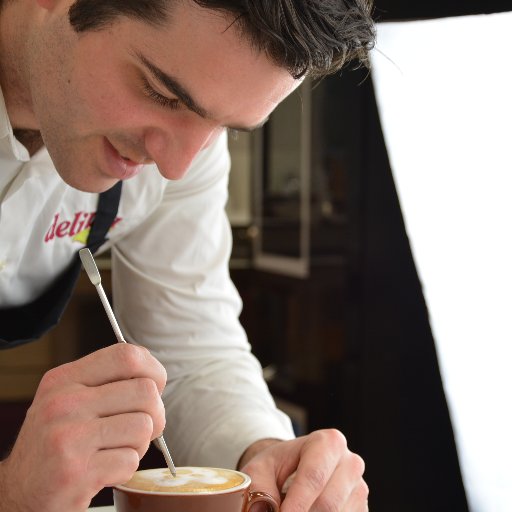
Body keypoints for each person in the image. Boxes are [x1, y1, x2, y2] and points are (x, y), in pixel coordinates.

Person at [0, 0, 375, 510]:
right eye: (160, 92)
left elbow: (190, 345)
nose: (176, 167)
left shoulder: (184, 144)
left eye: (225, 127)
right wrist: (12, 493)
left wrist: (262, 453)